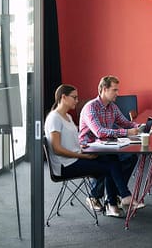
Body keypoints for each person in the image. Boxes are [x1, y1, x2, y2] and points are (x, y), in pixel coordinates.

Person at [45, 84, 136, 218]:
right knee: (110, 166)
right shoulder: (54, 118)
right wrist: (84, 156)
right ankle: (119, 199)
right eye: (74, 98)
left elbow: (72, 142)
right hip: (66, 165)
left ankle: (118, 200)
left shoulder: (68, 117)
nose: (77, 101)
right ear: (63, 97)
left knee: (112, 158)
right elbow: (57, 149)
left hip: (77, 157)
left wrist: (83, 150)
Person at [78, 75, 144, 213]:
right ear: (103, 89)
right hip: (89, 147)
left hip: (106, 146)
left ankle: (116, 197)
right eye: (114, 90)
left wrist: (140, 127)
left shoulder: (112, 107)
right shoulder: (91, 108)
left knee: (131, 157)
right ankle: (116, 198)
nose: (117, 94)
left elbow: (126, 123)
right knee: (112, 160)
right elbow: (100, 132)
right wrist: (127, 133)